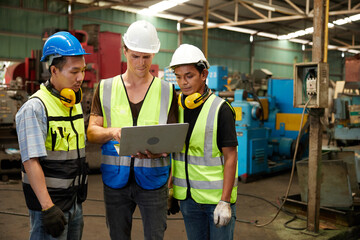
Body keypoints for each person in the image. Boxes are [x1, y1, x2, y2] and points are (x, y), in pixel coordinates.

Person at [86, 20, 178, 240]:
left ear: (153, 55)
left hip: (154, 180)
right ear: (124, 51)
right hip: (115, 182)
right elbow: (91, 132)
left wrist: (162, 152)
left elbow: (174, 138)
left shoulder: (167, 91)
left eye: (146, 57)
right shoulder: (105, 88)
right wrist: (113, 131)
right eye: (135, 56)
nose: (141, 63)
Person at [15, 31, 89, 239]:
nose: (80, 78)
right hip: (50, 208)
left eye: (82, 70)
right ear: (54, 70)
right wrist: (48, 208)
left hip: (73, 201)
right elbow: (31, 162)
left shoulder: (72, 104)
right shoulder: (35, 108)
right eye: (74, 71)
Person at [169, 44, 238, 240]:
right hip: (188, 200)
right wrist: (171, 187)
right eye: (178, 76)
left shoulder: (220, 109)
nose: (183, 83)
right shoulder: (177, 108)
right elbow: (177, 152)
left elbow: (231, 156)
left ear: (204, 74)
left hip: (216, 201)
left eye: (189, 76)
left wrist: (225, 201)